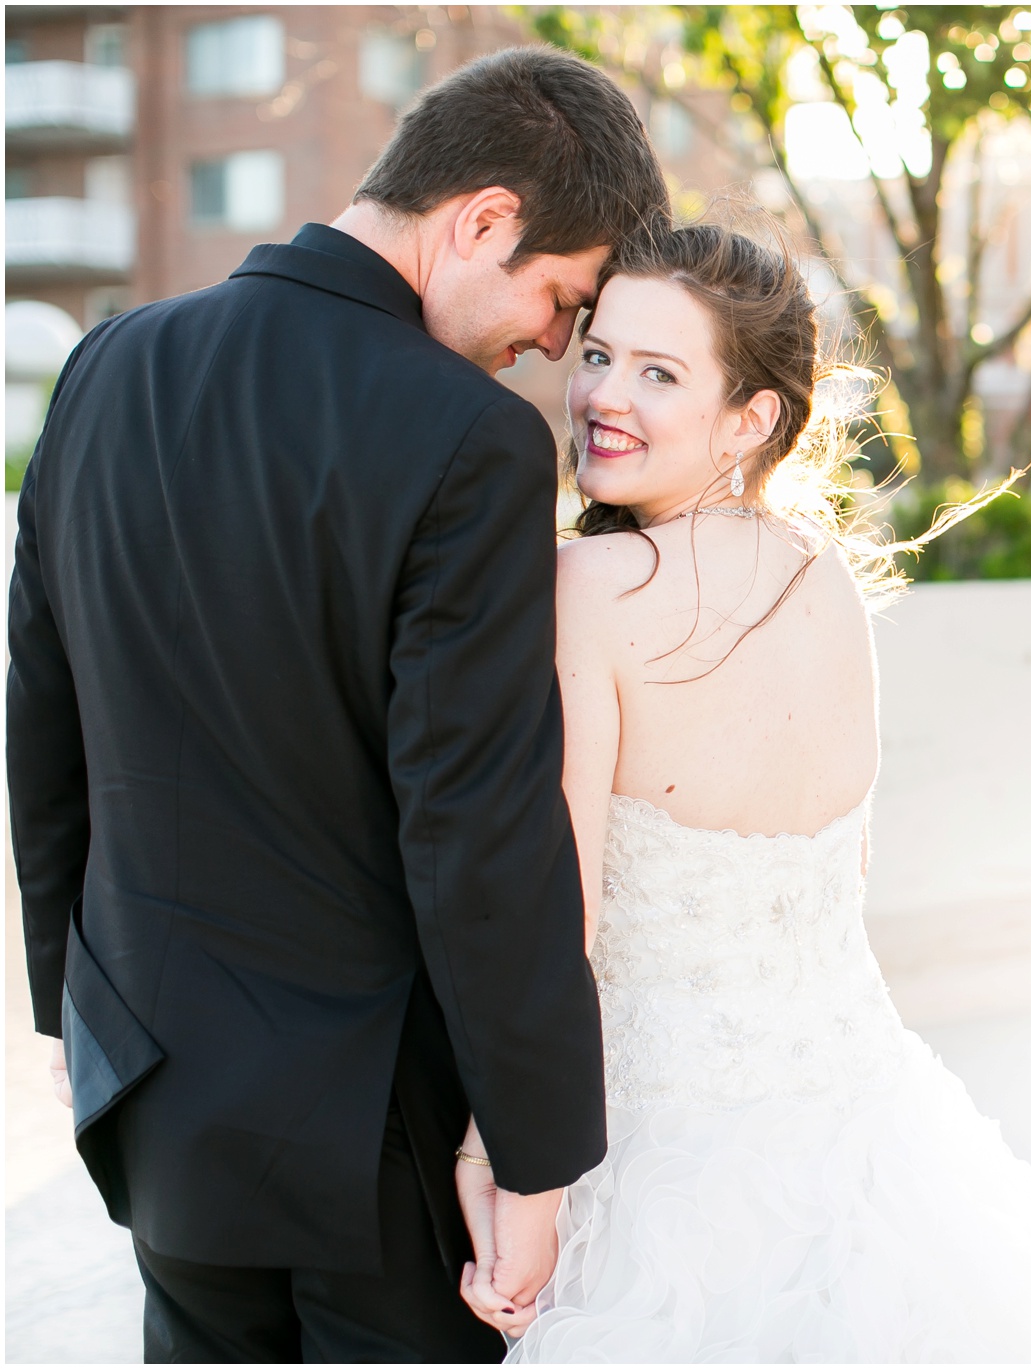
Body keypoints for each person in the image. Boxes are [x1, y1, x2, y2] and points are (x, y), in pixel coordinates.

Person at [6, 47, 667, 1361]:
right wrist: (532, 1161)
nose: (553, 345)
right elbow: (476, 827)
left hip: (157, 1091)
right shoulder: (470, 441)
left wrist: (79, 1020)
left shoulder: (104, 368)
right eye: (562, 297)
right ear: (483, 218)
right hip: (376, 1135)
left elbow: (43, 722)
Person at [465, 215, 1031, 1361]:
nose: (602, 392)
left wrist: (509, 1180)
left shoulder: (587, 586)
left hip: (664, 1169)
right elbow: (840, 871)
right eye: (598, 352)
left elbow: (561, 925)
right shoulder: (828, 584)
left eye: (659, 373)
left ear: (752, 418)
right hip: (866, 1142)